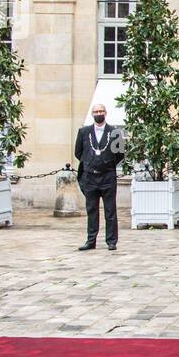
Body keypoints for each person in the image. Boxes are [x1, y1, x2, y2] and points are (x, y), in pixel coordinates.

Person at [74, 103, 125, 251]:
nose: (99, 113)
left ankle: (111, 241)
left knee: (110, 211)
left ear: (106, 113)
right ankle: (91, 240)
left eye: (101, 111)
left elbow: (120, 154)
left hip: (108, 176)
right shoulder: (84, 132)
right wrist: (90, 162)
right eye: (96, 111)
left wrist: (106, 162)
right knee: (92, 210)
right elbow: (78, 152)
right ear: (92, 114)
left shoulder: (114, 132)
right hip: (90, 177)